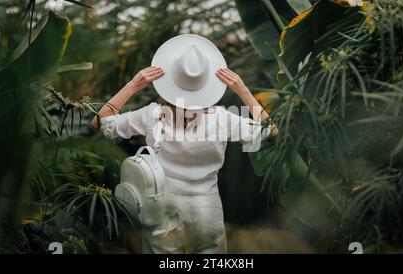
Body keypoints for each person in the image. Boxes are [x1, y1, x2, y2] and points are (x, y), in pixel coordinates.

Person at [90, 34, 277, 254]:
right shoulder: (223, 118)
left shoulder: (153, 115)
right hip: (207, 208)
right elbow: (272, 131)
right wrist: (242, 89)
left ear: (171, 80)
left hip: (161, 205)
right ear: (207, 83)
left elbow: (100, 123)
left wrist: (133, 85)